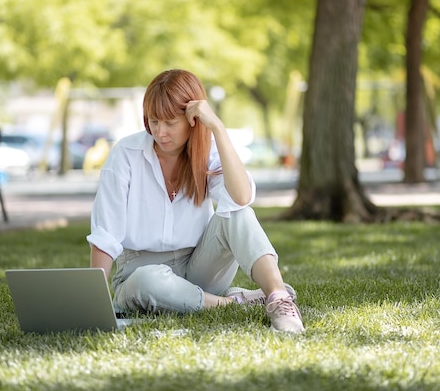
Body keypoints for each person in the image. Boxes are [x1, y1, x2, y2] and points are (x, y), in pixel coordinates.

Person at [86, 69, 304, 333]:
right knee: (148, 280)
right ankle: (231, 303)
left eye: (170, 123)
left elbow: (242, 197)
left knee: (238, 212)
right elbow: (106, 234)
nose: (160, 132)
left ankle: (278, 299)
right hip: (139, 274)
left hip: (200, 268)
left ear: (192, 119)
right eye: (154, 122)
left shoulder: (208, 151)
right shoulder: (125, 155)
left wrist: (217, 128)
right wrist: (94, 303)